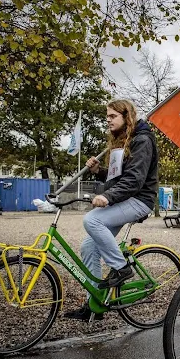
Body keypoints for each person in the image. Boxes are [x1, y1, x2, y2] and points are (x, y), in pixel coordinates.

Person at [65, 100, 159, 320]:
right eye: (107, 116)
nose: (108, 120)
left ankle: (121, 268)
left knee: (92, 220)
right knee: (89, 247)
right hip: (125, 199)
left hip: (139, 199)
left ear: (127, 117)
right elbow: (118, 176)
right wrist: (99, 172)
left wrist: (107, 197)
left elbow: (134, 180)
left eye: (112, 116)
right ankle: (95, 304)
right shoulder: (122, 141)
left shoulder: (142, 140)